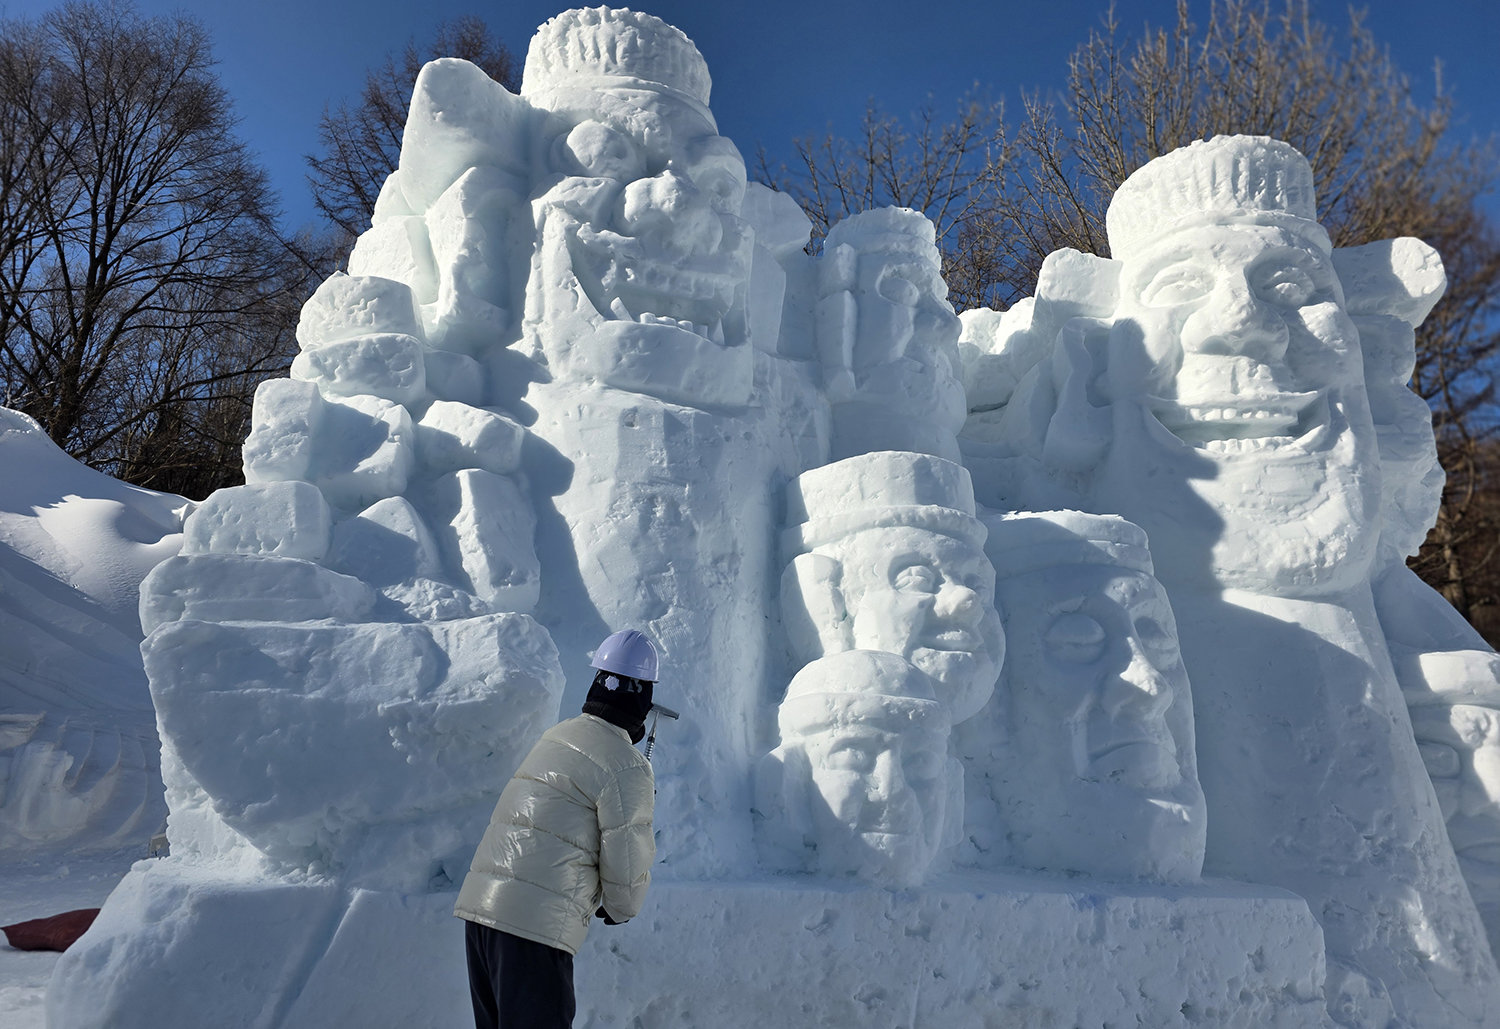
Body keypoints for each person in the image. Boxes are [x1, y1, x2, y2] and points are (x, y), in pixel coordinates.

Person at [454, 628, 659, 1028]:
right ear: (643, 700)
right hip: (533, 927)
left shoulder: (557, 736)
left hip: (482, 914)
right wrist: (621, 908)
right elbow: (627, 855)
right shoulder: (627, 766)